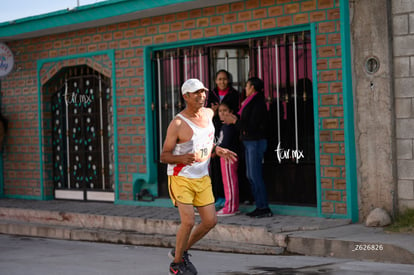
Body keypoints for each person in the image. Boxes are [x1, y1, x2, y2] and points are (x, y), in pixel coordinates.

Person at [160, 78, 237, 275]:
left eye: (203, 92)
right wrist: (180, 158)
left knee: (210, 221)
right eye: (196, 93)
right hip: (180, 177)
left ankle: (181, 250)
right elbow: (164, 156)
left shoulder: (209, 113)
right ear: (186, 96)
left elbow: (205, 141)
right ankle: (176, 264)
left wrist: (217, 149)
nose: (202, 96)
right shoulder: (177, 123)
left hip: (202, 177)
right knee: (188, 222)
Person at [221, 77, 272, 218]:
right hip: (249, 142)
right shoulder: (248, 102)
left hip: (255, 142)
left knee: (254, 175)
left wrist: (235, 121)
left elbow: (251, 126)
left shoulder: (257, 103)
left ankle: (263, 207)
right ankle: (260, 205)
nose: (245, 88)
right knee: (251, 175)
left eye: (248, 86)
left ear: (253, 88)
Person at [206, 70, 240, 209]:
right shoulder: (212, 94)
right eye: (219, 79)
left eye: (224, 79)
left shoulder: (234, 94)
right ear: (215, 81)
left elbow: (237, 111)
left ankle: (230, 199)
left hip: (229, 130)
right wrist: (213, 112)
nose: (222, 82)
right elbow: (206, 112)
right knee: (215, 167)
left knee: (229, 170)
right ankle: (218, 196)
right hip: (215, 128)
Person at [216, 101, 240, 216]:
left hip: (228, 157)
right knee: (228, 182)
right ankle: (230, 205)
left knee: (230, 182)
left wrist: (217, 150)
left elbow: (225, 143)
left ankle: (230, 207)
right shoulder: (225, 126)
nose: (222, 113)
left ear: (231, 112)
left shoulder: (229, 127)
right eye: (220, 111)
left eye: (225, 111)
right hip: (224, 157)